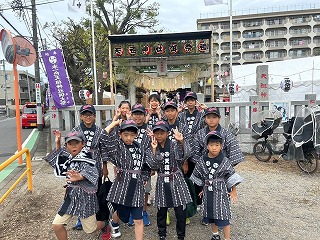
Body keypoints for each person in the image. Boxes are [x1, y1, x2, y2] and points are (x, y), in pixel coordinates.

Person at [43, 131, 109, 240]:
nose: (73, 146)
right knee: (57, 225)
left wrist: (81, 176)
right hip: (71, 197)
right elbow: (58, 160)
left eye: (76, 143)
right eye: (70, 143)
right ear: (66, 146)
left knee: (89, 229)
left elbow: (93, 172)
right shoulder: (68, 157)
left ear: (83, 144)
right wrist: (58, 143)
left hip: (86, 198)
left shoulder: (87, 156)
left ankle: (105, 224)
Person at [104, 119, 153, 240]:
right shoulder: (117, 147)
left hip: (137, 186)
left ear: (136, 135)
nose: (129, 138)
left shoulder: (140, 148)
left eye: (132, 135)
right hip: (123, 184)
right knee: (121, 212)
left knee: (138, 218)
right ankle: (114, 223)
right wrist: (114, 124)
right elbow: (103, 137)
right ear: (120, 134)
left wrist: (145, 176)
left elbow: (145, 165)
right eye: (125, 135)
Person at [190, 130, 243, 240]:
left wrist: (234, 191)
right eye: (211, 145)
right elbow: (198, 175)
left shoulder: (224, 160)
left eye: (217, 145)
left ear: (221, 146)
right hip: (208, 191)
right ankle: (215, 235)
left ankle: (227, 238)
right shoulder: (202, 160)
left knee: (223, 216)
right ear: (207, 146)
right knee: (211, 215)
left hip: (221, 192)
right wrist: (202, 189)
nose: (214, 147)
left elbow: (231, 175)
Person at [149, 120, 192, 240]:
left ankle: (181, 236)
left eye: (162, 133)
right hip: (162, 181)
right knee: (161, 211)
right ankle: (162, 235)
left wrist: (181, 141)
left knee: (180, 211)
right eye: (156, 133)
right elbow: (154, 166)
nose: (159, 135)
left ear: (168, 133)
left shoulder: (174, 144)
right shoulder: (152, 146)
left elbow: (186, 154)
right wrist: (153, 150)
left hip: (177, 180)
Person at [71, 104, 109, 234]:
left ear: (94, 116)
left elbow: (103, 150)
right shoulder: (75, 130)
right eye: (85, 114)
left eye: (90, 114)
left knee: (95, 193)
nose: (88, 117)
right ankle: (81, 218)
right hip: (79, 167)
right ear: (81, 116)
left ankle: (97, 218)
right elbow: (71, 148)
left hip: (95, 166)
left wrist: (105, 167)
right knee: (80, 192)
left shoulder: (99, 131)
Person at [178, 92, 207, 223]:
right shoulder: (182, 115)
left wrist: (206, 110)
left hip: (198, 149)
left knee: (199, 177)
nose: (190, 102)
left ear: (196, 102)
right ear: (185, 102)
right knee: (187, 177)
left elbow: (211, 121)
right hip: (185, 147)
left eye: (192, 100)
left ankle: (200, 203)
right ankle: (188, 203)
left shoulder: (201, 115)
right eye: (188, 100)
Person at [128, 103, 153, 227]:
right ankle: (133, 213)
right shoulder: (127, 128)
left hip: (145, 166)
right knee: (131, 189)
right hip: (129, 166)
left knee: (145, 190)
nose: (138, 117)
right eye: (135, 114)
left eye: (140, 114)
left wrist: (152, 166)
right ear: (131, 115)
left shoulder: (149, 129)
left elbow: (154, 147)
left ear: (145, 115)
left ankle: (143, 212)